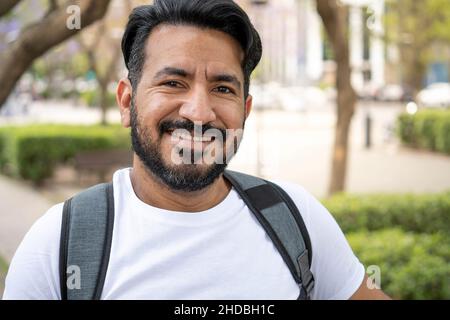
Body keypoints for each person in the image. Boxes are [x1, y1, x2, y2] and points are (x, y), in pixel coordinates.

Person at [3, 0, 390, 300]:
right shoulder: (60, 243)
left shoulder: (296, 219)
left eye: (223, 89)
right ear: (126, 102)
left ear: (245, 110)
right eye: (173, 83)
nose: (200, 113)